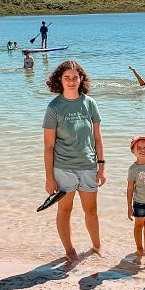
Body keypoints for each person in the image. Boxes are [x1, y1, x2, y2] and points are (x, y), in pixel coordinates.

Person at [43, 60, 106, 266]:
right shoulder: (54, 107)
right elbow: (49, 146)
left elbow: (97, 137)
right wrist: (49, 178)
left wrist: (101, 166)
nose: (71, 81)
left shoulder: (89, 103)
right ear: (59, 80)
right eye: (66, 77)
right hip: (63, 168)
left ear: (81, 79)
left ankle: (97, 246)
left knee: (92, 211)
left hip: (88, 166)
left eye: (75, 77)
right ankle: (70, 251)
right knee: (65, 210)